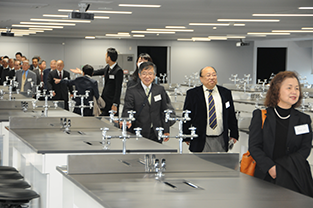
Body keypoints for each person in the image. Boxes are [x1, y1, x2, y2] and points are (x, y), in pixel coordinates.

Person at [249, 71, 313, 197]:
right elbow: (254, 147)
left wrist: (283, 169)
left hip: (295, 176)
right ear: (276, 90)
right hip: (266, 176)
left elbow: (305, 148)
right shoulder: (261, 116)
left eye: (297, 88)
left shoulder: (304, 119)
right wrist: (271, 167)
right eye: (289, 88)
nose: (294, 92)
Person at [183, 66, 238, 152]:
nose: (212, 78)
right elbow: (187, 115)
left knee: (220, 164)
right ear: (201, 79)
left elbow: (231, 115)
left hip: (221, 138)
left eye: (214, 75)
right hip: (200, 138)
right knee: (201, 164)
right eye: (208, 75)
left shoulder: (225, 93)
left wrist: (234, 134)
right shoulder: (192, 94)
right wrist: (186, 135)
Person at [122, 62, 170, 143]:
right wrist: (126, 120)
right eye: (144, 73)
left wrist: (166, 129)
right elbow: (127, 108)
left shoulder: (159, 90)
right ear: (139, 75)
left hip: (156, 131)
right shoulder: (132, 90)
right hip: (139, 130)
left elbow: (164, 110)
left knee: (156, 154)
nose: (147, 76)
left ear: (154, 75)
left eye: (150, 74)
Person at [71, 48, 123, 116]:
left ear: (109, 58)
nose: (105, 58)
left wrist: (115, 104)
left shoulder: (118, 71)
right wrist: (83, 72)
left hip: (112, 101)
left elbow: (118, 88)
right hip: (105, 100)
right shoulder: (107, 68)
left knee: (112, 121)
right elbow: (96, 72)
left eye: (106, 56)